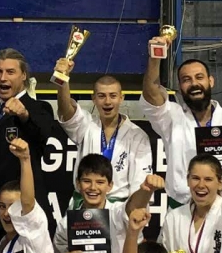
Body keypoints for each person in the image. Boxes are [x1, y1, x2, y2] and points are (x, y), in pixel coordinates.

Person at [142, 50, 222, 206]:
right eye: (186, 80)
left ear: (211, 81)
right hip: (182, 208)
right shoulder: (171, 118)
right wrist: (155, 58)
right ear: (180, 86)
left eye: (199, 77)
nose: (194, 83)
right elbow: (151, 95)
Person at [0, 49, 61, 230]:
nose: (3, 78)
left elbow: (42, 134)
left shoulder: (39, 109)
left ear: (24, 75)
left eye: (10, 72)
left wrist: (24, 115)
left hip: (25, 211)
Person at [53, 59, 153, 204]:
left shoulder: (137, 136)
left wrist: (134, 212)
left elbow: (140, 184)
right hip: (84, 206)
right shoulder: (86, 125)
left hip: (118, 209)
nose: (107, 102)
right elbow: (65, 111)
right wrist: (62, 78)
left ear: (121, 98)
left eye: (113, 95)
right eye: (101, 96)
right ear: (93, 99)